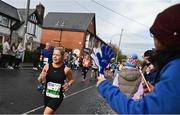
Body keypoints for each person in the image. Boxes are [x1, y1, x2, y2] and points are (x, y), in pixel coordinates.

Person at [91, 4, 180, 114]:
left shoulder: (176, 69)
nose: (154, 42)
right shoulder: (171, 67)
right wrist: (158, 96)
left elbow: (139, 111)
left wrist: (103, 85)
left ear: (166, 39)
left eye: (155, 36)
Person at [38, 47, 75, 114]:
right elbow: (40, 80)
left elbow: (72, 79)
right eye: (53, 54)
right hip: (47, 94)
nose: (54, 57)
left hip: (57, 96)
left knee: (46, 113)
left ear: (62, 57)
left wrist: (68, 84)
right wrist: (41, 78)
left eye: (57, 55)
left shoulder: (66, 69)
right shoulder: (47, 66)